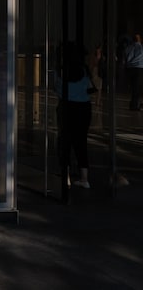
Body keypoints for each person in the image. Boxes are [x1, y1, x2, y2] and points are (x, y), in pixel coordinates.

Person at [55, 42, 93, 196]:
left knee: (65, 142)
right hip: (84, 108)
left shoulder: (61, 71)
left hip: (66, 106)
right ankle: (84, 179)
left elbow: (56, 88)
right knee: (81, 141)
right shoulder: (84, 70)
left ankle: (67, 178)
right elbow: (91, 88)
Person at [124, 34, 143, 110]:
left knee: (133, 88)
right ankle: (134, 106)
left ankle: (133, 104)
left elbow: (125, 57)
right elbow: (140, 57)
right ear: (139, 39)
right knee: (137, 88)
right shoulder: (140, 47)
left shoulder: (128, 47)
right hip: (138, 69)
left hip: (129, 69)